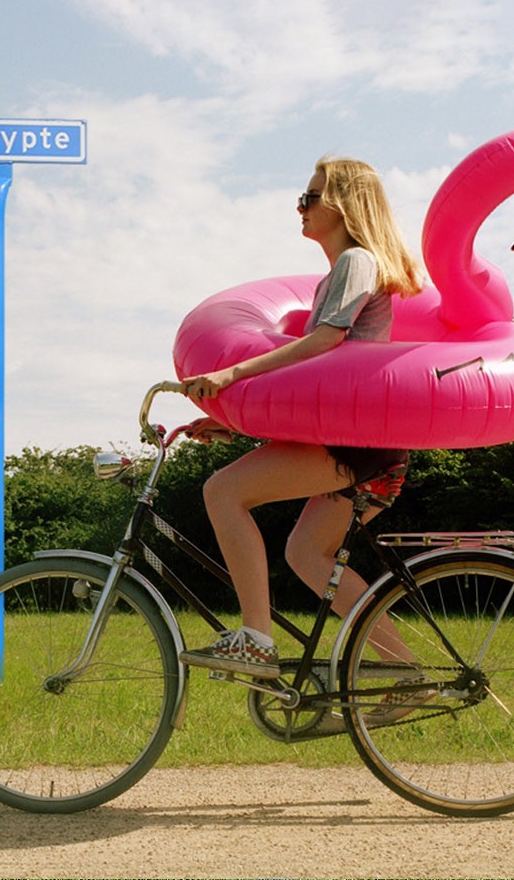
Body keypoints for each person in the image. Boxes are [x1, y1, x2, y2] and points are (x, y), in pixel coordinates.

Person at [178, 157, 421, 681]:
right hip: (368, 445)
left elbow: (324, 344)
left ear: (342, 203)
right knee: (307, 552)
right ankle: (405, 672)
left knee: (223, 493)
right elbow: (317, 393)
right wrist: (234, 424)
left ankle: (256, 641)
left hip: (353, 446)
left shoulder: (357, 261)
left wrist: (230, 375)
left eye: (310, 197)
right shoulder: (342, 272)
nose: (300, 207)